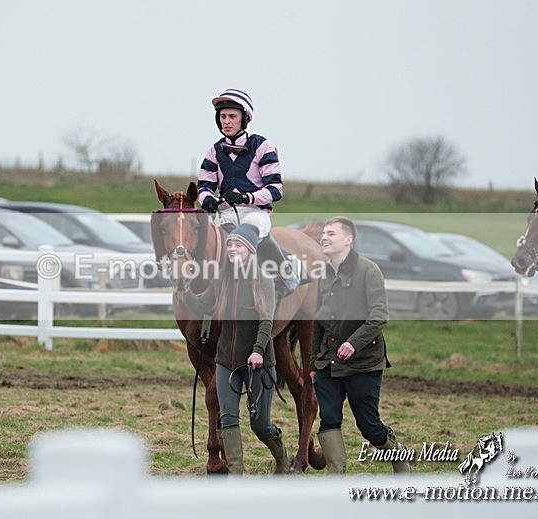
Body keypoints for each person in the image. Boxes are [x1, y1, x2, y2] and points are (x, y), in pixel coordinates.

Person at [174, 223, 291, 475]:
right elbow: (203, 305)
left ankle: (282, 456)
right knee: (227, 419)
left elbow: (266, 320)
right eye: (229, 245)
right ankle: (236, 475)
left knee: (260, 424)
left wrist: (259, 350)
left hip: (257, 360)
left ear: (250, 249)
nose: (232, 249)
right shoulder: (221, 279)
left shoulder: (263, 279)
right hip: (226, 360)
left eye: (238, 245)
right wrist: (182, 288)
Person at [308, 216, 410, 475]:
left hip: (363, 364)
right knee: (328, 420)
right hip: (328, 364)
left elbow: (379, 315)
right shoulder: (324, 273)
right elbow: (318, 321)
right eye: (324, 233)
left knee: (369, 427)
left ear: (348, 240)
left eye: (331, 233)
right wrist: (312, 364)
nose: (325, 237)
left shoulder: (369, 270)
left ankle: (398, 457)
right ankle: (336, 477)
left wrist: (353, 344)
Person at [197, 88, 299, 298]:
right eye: (223, 116)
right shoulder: (214, 151)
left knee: (246, 230)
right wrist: (207, 200)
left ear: (244, 119)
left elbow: (276, 189)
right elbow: (204, 185)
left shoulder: (263, 146)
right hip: (225, 214)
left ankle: (286, 273)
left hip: (255, 214)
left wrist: (247, 198)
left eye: (232, 116)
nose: (227, 121)